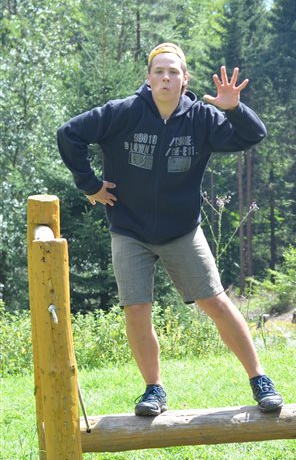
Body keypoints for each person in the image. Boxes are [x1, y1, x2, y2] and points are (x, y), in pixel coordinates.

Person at [57, 43, 283, 415]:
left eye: (173, 72)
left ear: (184, 79)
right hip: (129, 229)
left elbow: (252, 135)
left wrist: (233, 108)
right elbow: (69, 134)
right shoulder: (123, 113)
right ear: (148, 78)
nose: (166, 78)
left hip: (182, 230)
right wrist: (89, 184)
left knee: (215, 302)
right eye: (159, 71)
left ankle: (260, 379)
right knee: (136, 309)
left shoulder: (202, 118)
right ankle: (154, 390)